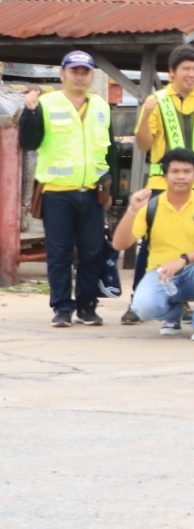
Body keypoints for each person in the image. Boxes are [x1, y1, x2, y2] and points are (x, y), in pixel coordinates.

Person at [20, 50, 112, 327]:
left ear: (92, 76)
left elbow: (108, 150)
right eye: (75, 71)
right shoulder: (46, 104)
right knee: (59, 254)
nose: (80, 77)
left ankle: (87, 306)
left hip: (92, 191)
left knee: (92, 252)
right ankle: (62, 307)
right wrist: (29, 111)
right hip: (57, 193)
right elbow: (29, 142)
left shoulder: (101, 106)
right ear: (62, 74)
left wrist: (109, 188)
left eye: (85, 72)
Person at [113, 148, 194, 341]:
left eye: (187, 171)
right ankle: (173, 315)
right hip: (161, 274)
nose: (181, 176)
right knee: (142, 308)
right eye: (175, 171)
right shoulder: (151, 206)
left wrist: (182, 260)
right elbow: (119, 244)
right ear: (165, 176)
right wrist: (132, 209)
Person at [141, 44, 194, 195]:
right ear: (172, 71)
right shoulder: (155, 101)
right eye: (186, 69)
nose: (192, 74)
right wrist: (144, 118)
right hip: (162, 184)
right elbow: (144, 145)